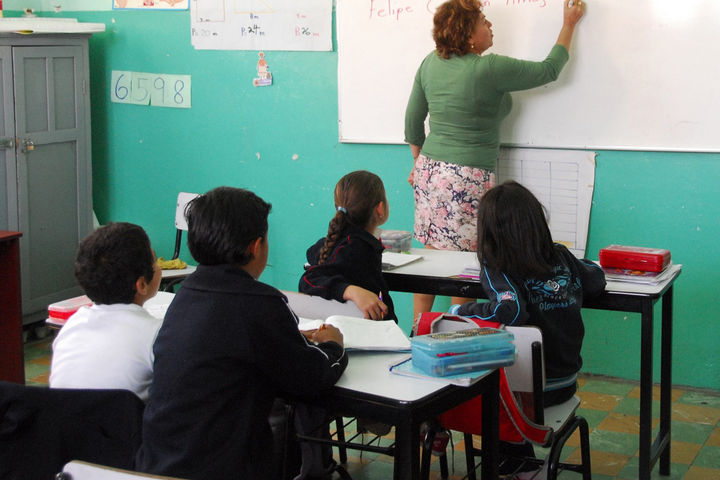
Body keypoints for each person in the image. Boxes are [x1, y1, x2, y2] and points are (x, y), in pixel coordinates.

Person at [135, 186, 348, 480]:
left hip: (156, 466)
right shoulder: (261, 303)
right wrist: (334, 345)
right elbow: (312, 377)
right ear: (256, 246)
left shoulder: (186, 294)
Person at [404, 0, 586, 318]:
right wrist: (569, 24)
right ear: (468, 35)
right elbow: (549, 70)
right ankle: (456, 331)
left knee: (432, 254)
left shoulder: (430, 62)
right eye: (483, 22)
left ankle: (418, 327)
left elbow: (412, 122)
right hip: (465, 177)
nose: (490, 26)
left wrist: (418, 163)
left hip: (430, 173)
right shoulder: (489, 68)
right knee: (464, 263)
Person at [449, 180, 605, 476]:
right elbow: (596, 281)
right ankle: (522, 463)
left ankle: (520, 465)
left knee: (476, 385)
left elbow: (512, 310)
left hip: (529, 395)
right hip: (565, 383)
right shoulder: (560, 255)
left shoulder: (498, 267)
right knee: (497, 381)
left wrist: (461, 311)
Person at [49, 222, 162, 402]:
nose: (159, 266)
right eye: (154, 260)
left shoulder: (72, 325)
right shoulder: (156, 334)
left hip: (62, 418)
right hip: (122, 420)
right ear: (141, 285)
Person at [299, 170, 395, 322]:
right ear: (380, 209)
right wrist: (350, 291)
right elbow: (309, 280)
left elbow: (315, 258)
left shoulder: (339, 241)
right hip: (363, 330)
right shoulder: (354, 248)